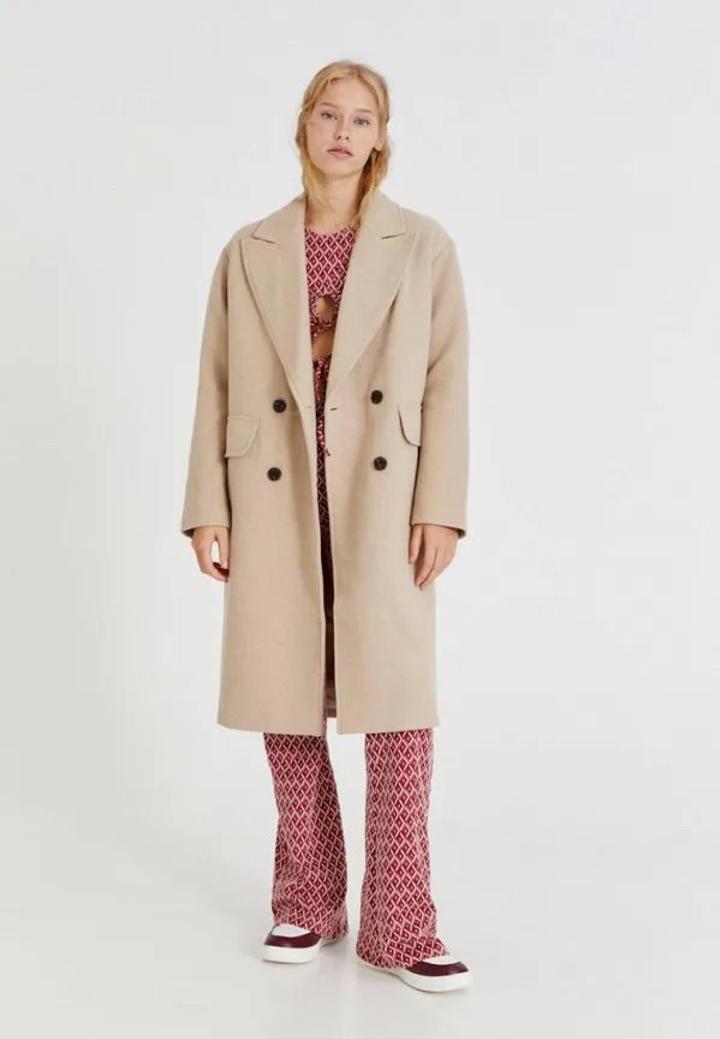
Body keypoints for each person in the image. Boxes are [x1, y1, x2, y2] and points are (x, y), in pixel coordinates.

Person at [180, 60, 471, 993]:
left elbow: (447, 382)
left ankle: (401, 920)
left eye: (362, 118)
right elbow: (215, 381)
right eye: (328, 114)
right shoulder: (249, 249)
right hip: (275, 490)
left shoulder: (423, 246)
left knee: (398, 708)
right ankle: (307, 897)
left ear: (381, 137)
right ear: (302, 126)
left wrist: (440, 505)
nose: (344, 132)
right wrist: (207, 504)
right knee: (287, 698)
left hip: (383, 496)